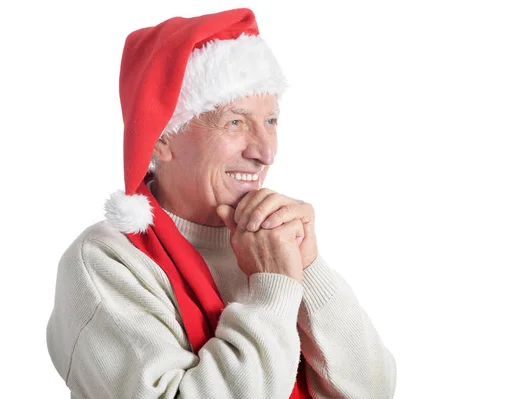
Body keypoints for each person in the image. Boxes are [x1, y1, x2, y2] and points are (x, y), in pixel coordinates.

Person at [46, 8, 397, 399]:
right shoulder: (106, 260)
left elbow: (374, 390)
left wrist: (308, 268)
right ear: (162, 138)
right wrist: (274, 290)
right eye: (235, 122)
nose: (266, 152)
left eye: (271, 121)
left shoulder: (271, 245)